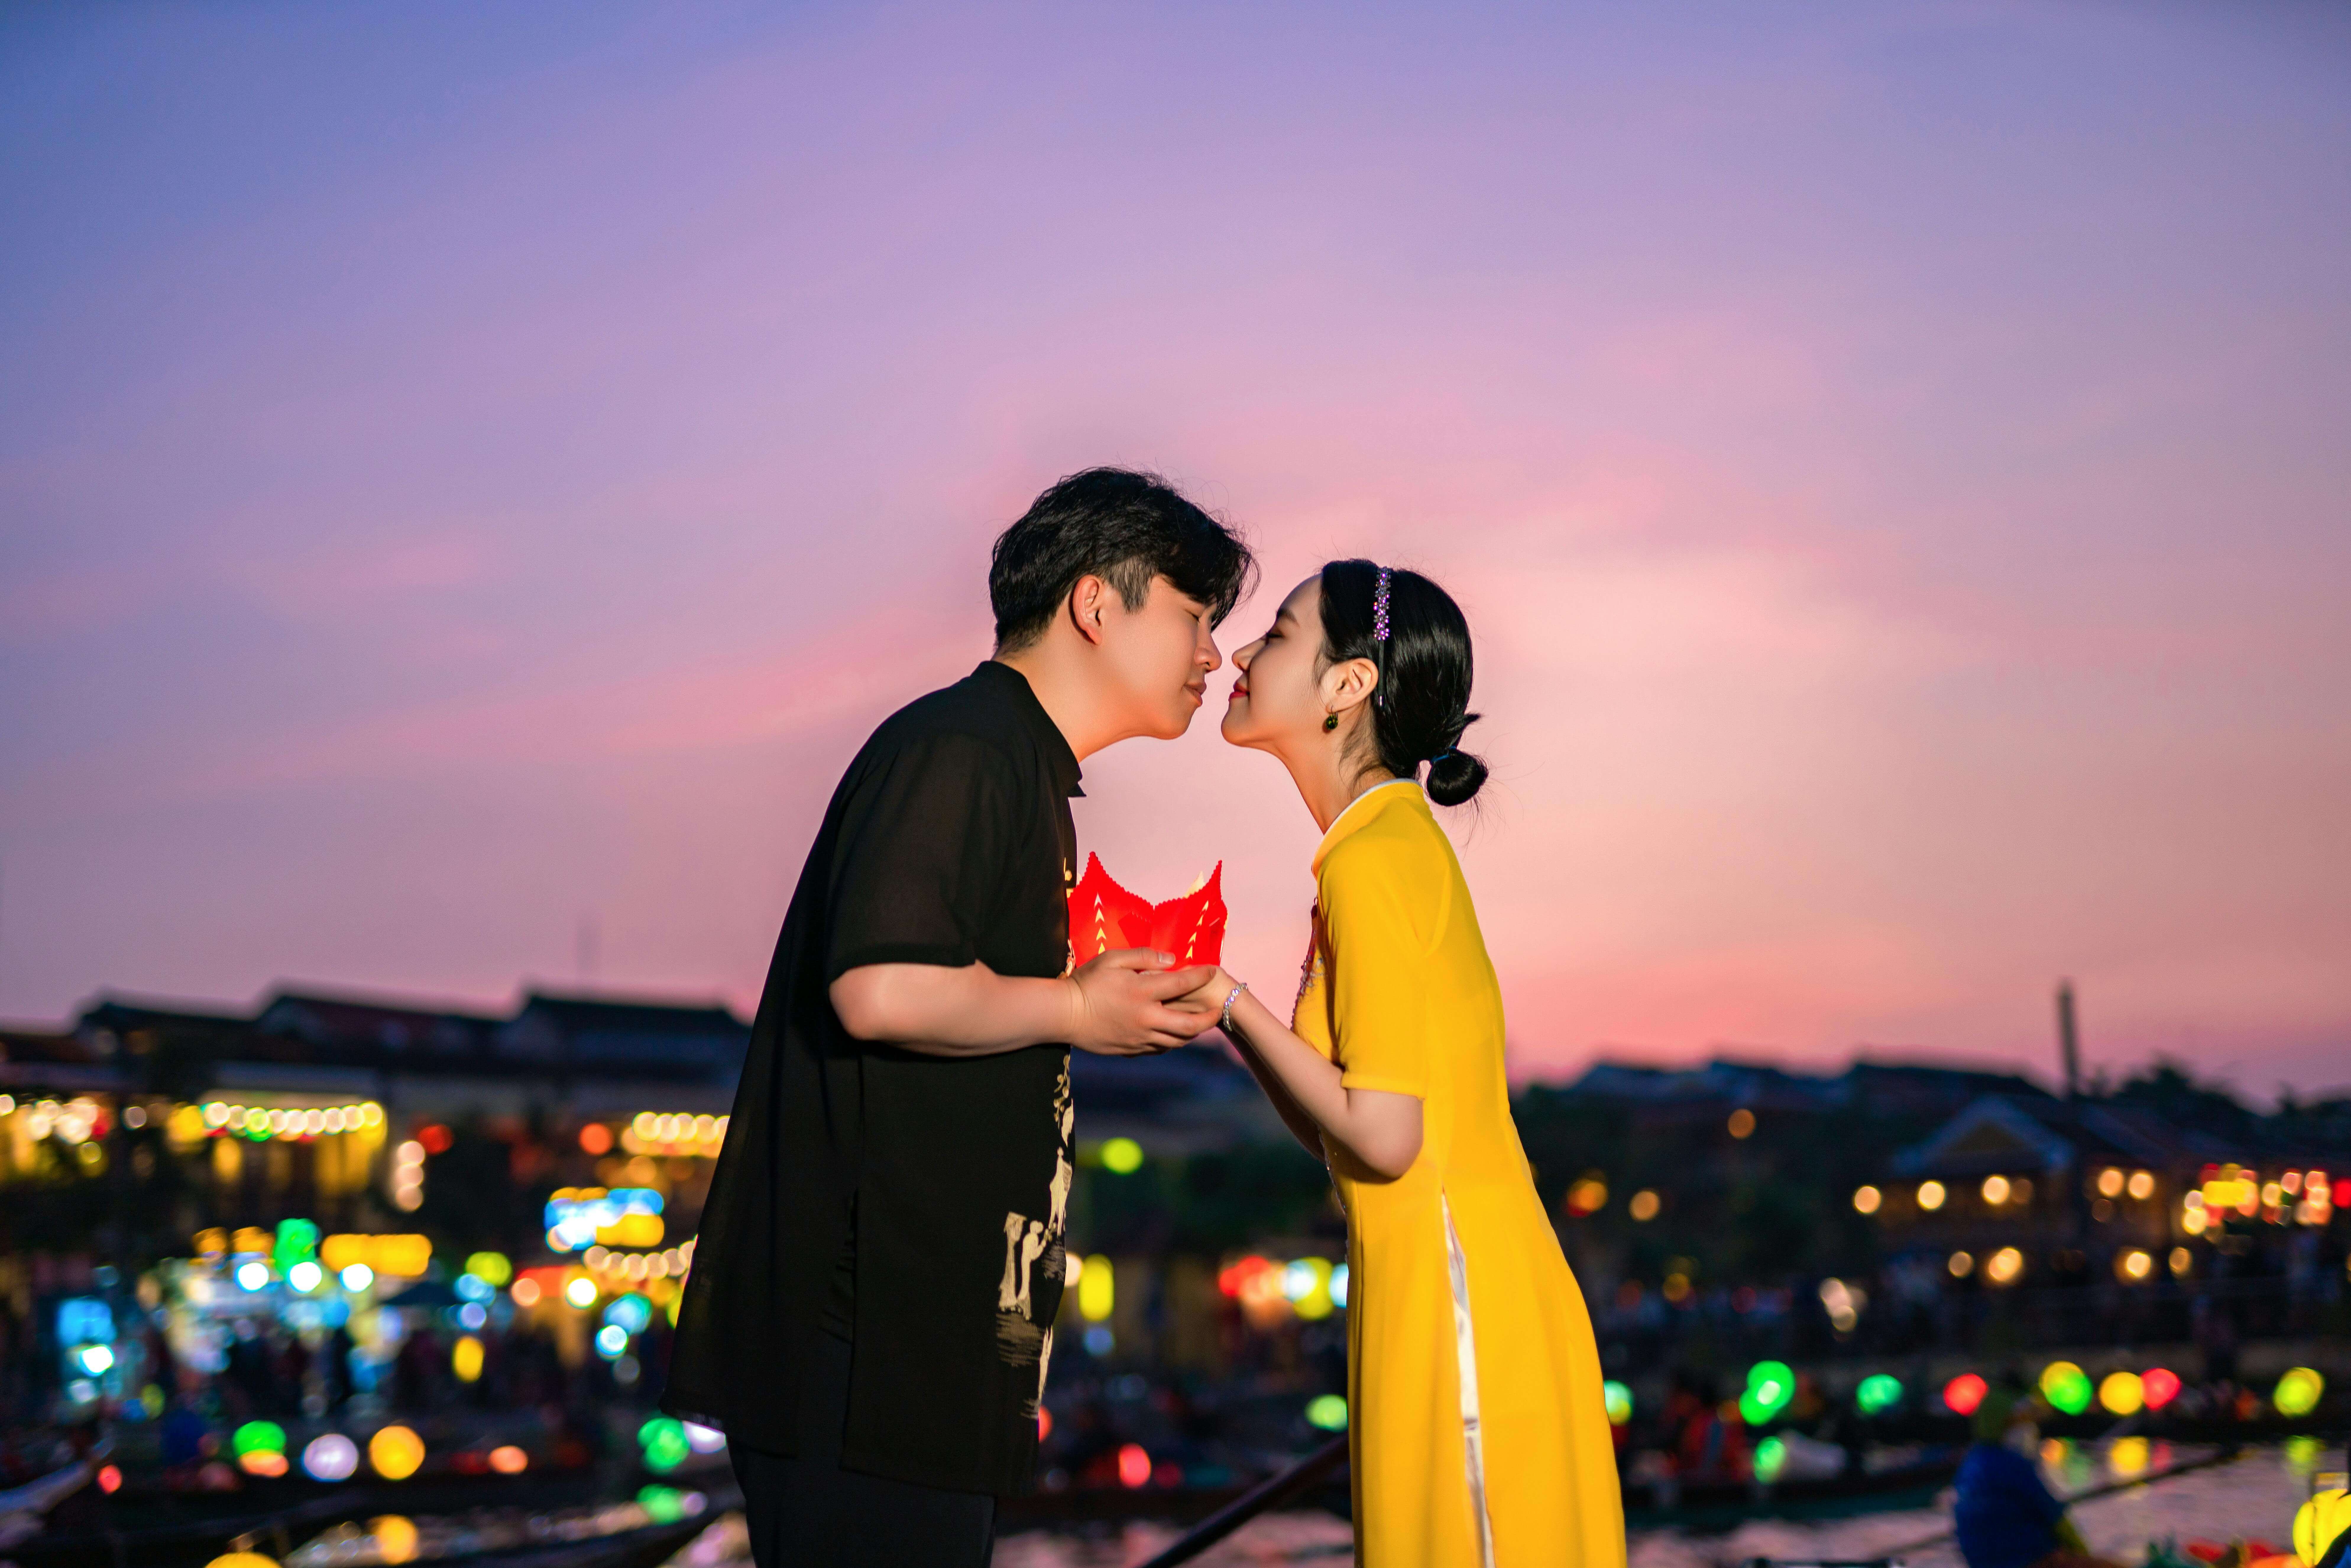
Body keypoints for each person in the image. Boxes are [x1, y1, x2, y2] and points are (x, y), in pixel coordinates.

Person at [662, 469, 1255, 1568]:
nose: (1212, 654)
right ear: (1095, 603)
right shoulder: (964, 747)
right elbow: (879, 986)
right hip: (864, 1357)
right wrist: (1075, 1005)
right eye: (1193, 615)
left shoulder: (1014, 767)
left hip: (921, 1355)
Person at [1186, 561, 1625, 1568]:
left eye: (1279, 634)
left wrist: (1230, 1002)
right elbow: (1347, 1129)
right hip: (1440, 1286)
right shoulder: (1380, 844)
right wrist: (1227, 1011)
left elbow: (1384, 1136)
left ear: (1347, 684)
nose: (1242, 651)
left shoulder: (1374, 860)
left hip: (1457, 1296)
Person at [1952, 1382, 2123, 1568]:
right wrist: (2084, 1557)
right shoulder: (2011, 1465)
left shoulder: (1971, 1463)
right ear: (2003, 1424)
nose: (2029, 1428)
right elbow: (2055, 1517)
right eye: (2020, 1422)